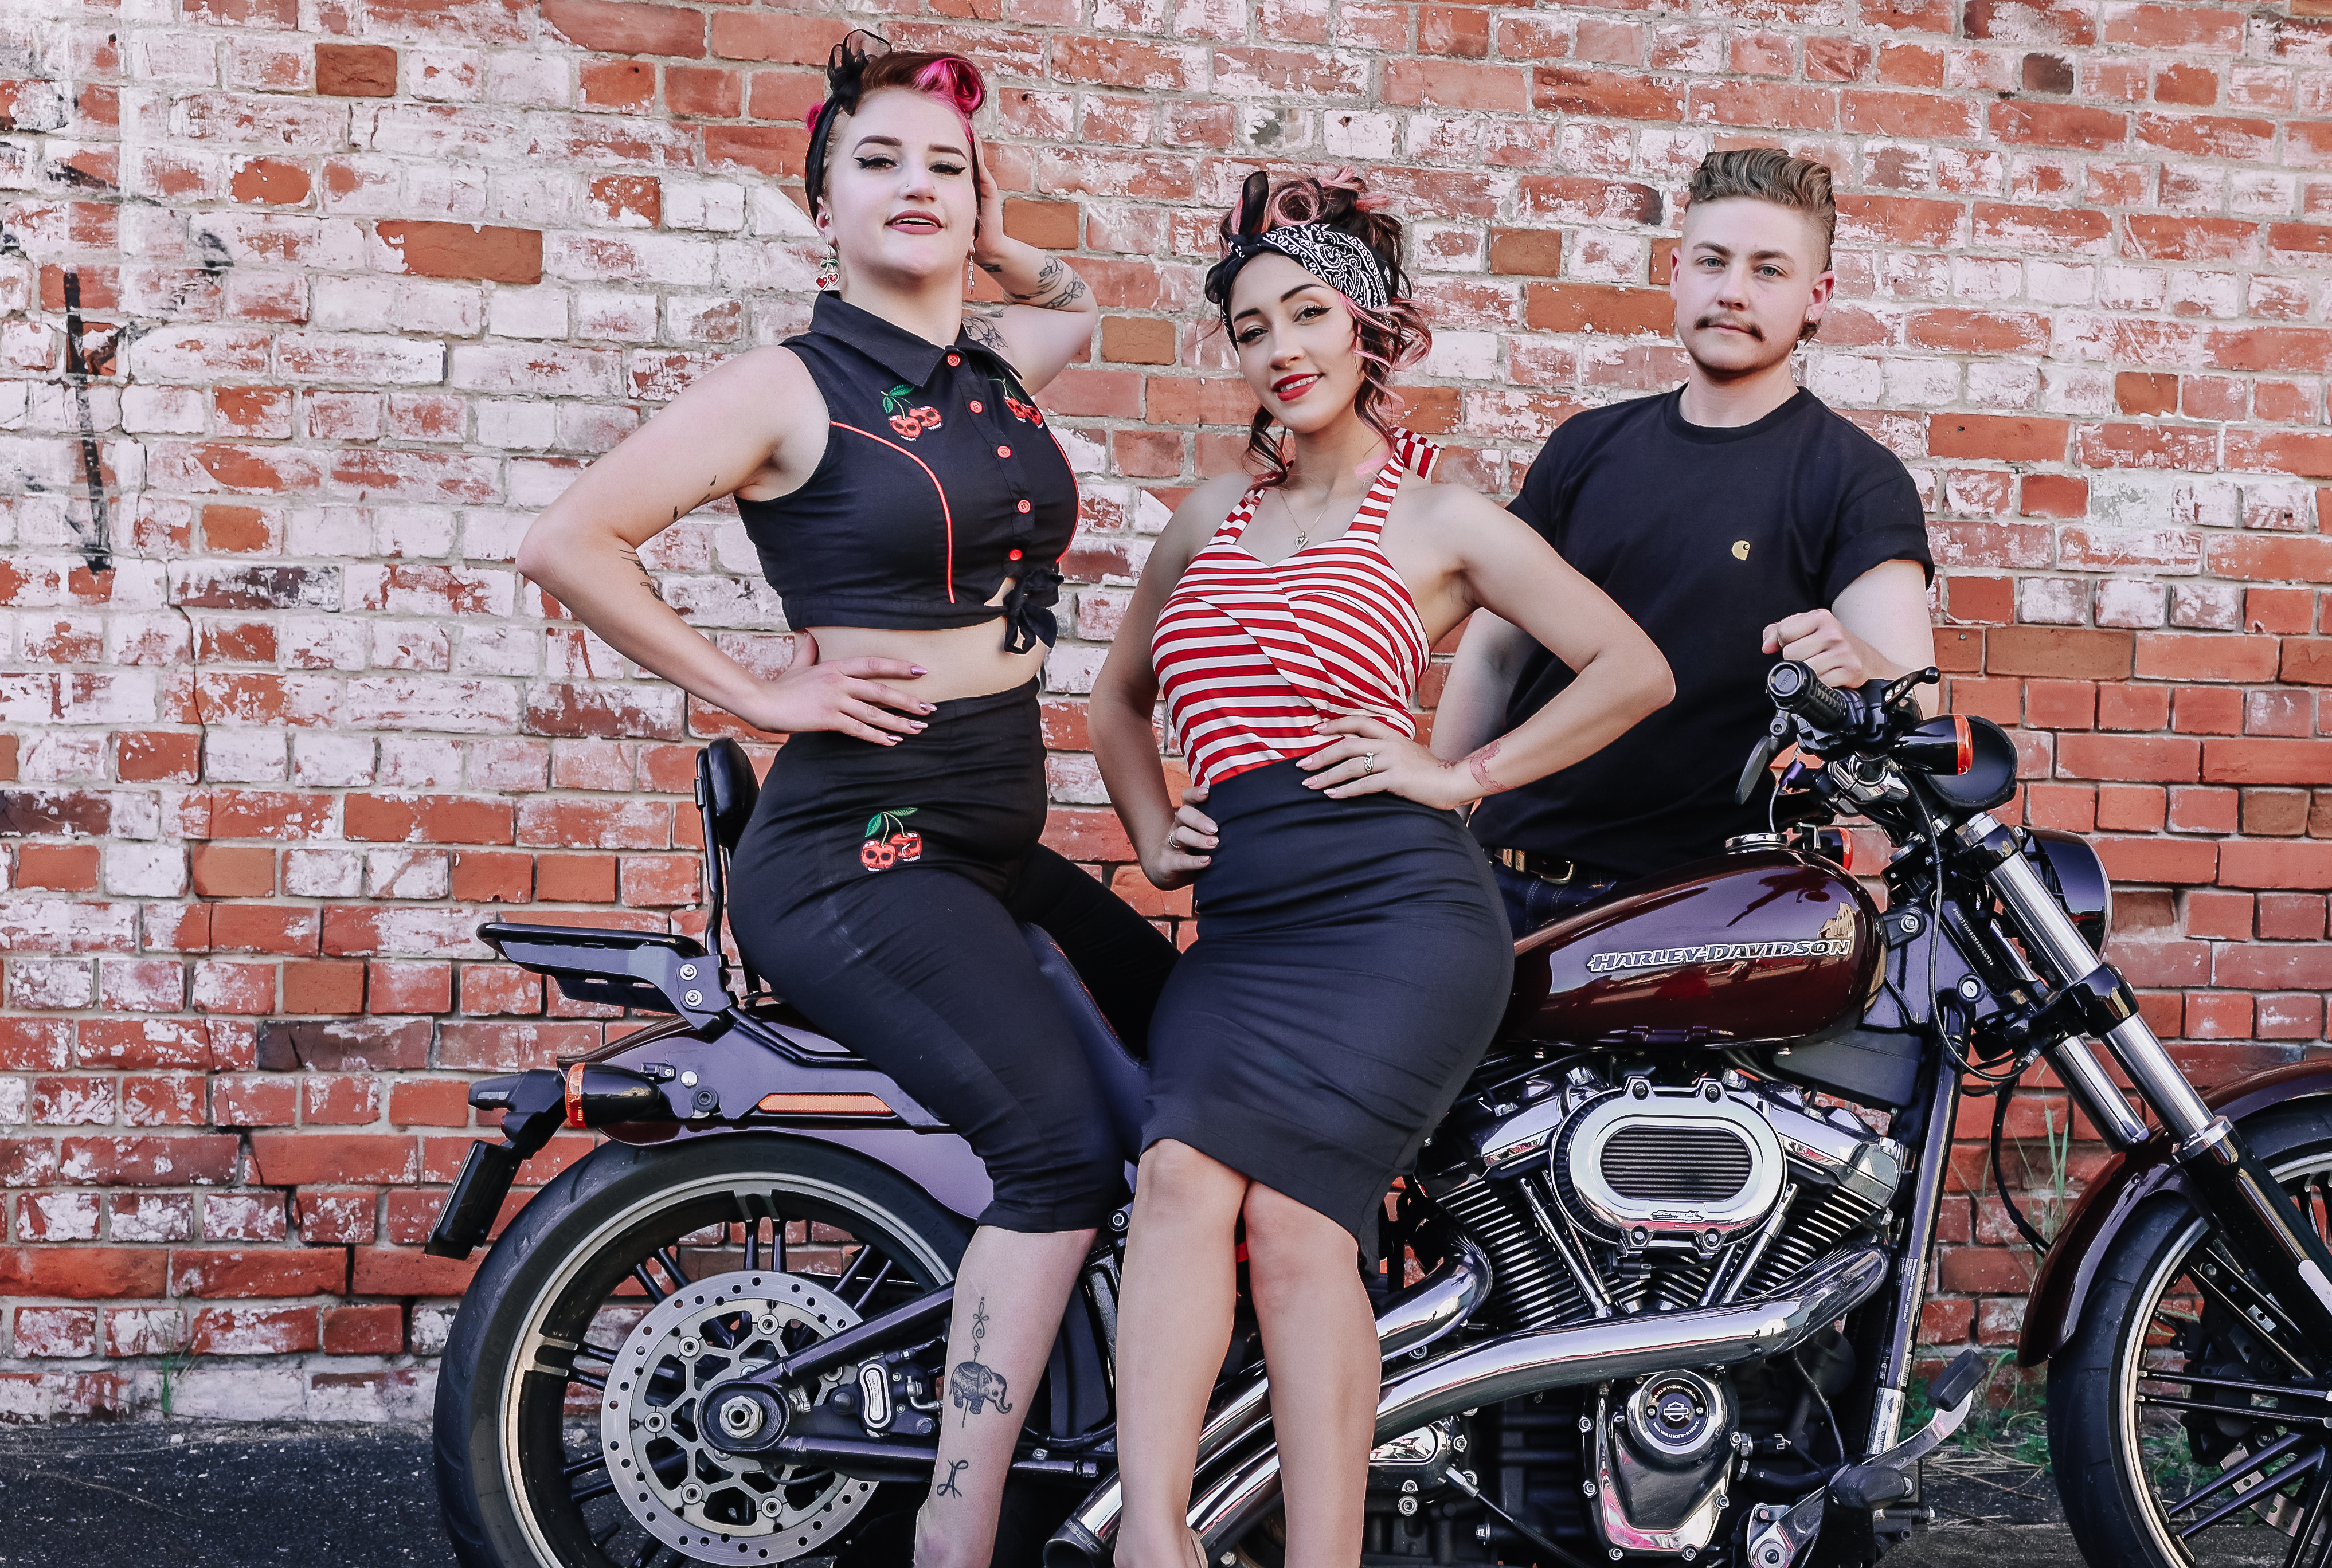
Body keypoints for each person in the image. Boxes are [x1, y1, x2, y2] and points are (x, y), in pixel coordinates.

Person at [510, 36, 1175, 1568]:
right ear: (822, 206)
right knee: (1063, 1150)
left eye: (944, 163)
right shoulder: (786, 386)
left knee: (1196, 1060)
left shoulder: (990, 379)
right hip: (855, 857)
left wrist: (998, 233)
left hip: (988, 841)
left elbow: (1071, 305)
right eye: (879, 160)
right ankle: (959, 1532)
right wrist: (759, 692)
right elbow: (571, 541)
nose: (917, 186)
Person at [1090, 169, 1672, 1568]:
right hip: (1245, 923)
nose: (1280, 346)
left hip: (1397, 913)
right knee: (1177, 1181)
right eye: (1250, 327)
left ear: (1368, 335)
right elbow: (1117, 700)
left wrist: (1461, 775)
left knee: (1300, 1222)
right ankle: (1153, 1542)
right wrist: (1148, 827)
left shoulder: (1444, 520)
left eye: (1309, 314)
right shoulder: (1204, 518)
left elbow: (1632, 667)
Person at [1433, 148, 1940, 936]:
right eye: (1713, 262)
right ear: (1676, 273)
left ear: (1818, 298)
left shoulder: (1854, 479)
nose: (1733, 291)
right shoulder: (1584, 449)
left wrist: (1861, 667)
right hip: (1502, 885)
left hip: (1692, 914)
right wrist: (1436, 826)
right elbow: (1496, 655)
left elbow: (1915, 695)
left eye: (1769, 270)